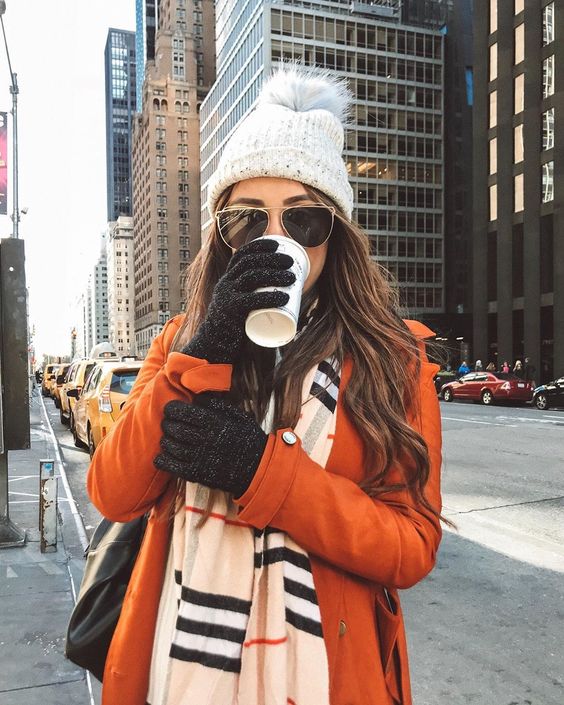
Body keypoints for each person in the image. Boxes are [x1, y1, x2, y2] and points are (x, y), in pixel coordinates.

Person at [88, 64, 444, 705]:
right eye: (248, 219)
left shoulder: (394, 360)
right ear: (223, 235)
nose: (275, 238)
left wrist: (264, 475)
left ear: (334, 238)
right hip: (178, 667)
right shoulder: (181, 342)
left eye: (303, 220)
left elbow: (412, 544)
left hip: (329, 675)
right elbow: (114, 492)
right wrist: (201, 354)